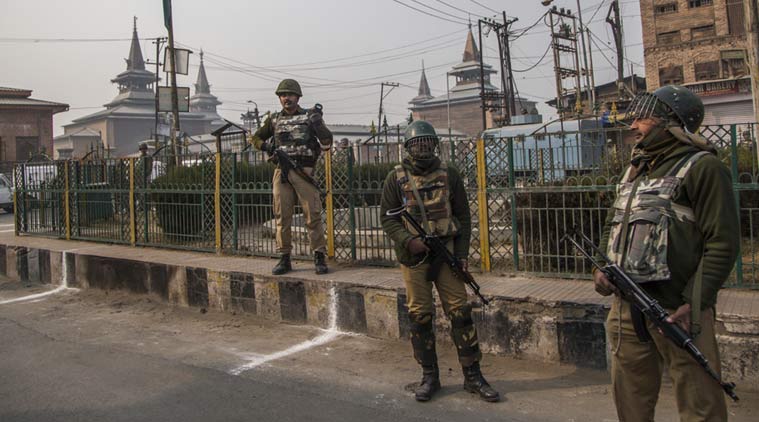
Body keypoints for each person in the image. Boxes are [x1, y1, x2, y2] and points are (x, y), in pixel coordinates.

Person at [595, 85, 739, 421]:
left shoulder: (703, 167)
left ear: (671, 123)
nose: (633, 126)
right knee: (630, 401)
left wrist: (694, 302)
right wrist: (602, 267)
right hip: (627, 308)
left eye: (643, 118)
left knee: (700, 405)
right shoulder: (635, 169)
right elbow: (613, 223)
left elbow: (723, 243)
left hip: (679, 312)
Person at [380, 120, 499, 403]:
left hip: (446, 252)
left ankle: (473, 375)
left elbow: (463, 216)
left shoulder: (450, 174)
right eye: (416, 143)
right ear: (408, 147)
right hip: (414, 257)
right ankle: (429, 376)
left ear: (435, 145)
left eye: (427, 142)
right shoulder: (395, 177)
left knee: (460, 312)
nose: (422, 148)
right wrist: (408, 240)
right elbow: (387, 217)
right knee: (420, 315)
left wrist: (461, 255)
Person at [248, 79, 333, 275]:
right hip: (282, 172)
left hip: (304, 171)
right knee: (282, 216)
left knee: (312, 215)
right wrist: (266, 146)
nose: (286, 98)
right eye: (283, 95)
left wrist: (318, 124)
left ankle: (319, 256)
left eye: (290, 95)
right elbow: (255, 138)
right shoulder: (274, 120)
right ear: (279, 98)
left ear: (298, 97)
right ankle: (284, 257)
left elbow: (327, 142)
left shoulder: (309, 117)